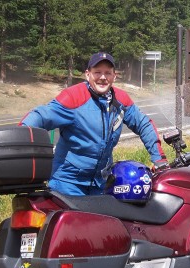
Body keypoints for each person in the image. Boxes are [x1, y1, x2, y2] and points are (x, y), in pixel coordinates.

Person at [19, 52, 167, 196]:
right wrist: (19, 139)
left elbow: (144, 124)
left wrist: (159, 160)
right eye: (97, 72)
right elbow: (41, 116)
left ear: (114, 76)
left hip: (101, 184)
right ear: (87, 74)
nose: (102, 77)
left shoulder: (120, 100)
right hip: (67, 184)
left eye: (108, 73)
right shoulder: (74, 97)